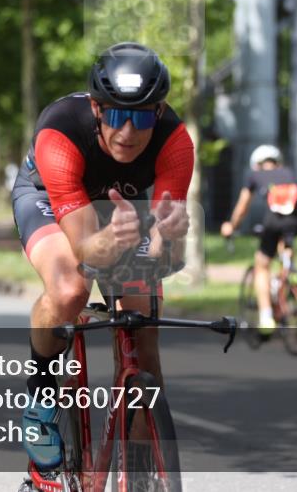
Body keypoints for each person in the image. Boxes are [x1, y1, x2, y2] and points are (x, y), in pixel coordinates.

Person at [11, 42, 193, 470]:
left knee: (144, 339)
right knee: (70, 288)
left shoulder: (175, 141)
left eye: (143, 116)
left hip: (122, 211)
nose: (128, 131)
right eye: (115, 114)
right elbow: (84, 249)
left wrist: (169, 237)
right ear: (96, 108)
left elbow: (164, 247)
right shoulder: (59, 131)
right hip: (50, 200)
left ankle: (141, 471)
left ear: (160, 111)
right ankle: (40, 389)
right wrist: (112, 238)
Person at [220, 145, 297, 334]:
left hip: (274, 222)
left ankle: (266, 318)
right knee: (286, 244)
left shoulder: (255, 176)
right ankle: (289, 272)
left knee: (262, 265)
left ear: (257, 165)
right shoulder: (289, 172)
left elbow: (242, 206)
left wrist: (231, 226)